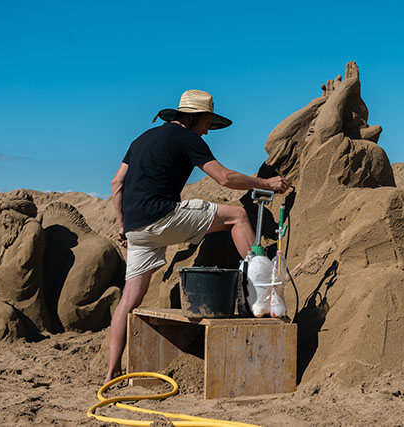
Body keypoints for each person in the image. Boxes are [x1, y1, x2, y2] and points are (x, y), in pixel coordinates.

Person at [105, 89, 289, 383]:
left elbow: (117, 183)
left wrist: (122, 225)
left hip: (137, 230)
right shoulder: (186, 138)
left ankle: (112, 371)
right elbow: (225, 178)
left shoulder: (140, 140)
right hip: (162, 216)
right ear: (195, 118)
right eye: (207, 124)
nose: (207, 132)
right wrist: (266, 182)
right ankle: (264, 290)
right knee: (237, 216)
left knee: (129, 301)